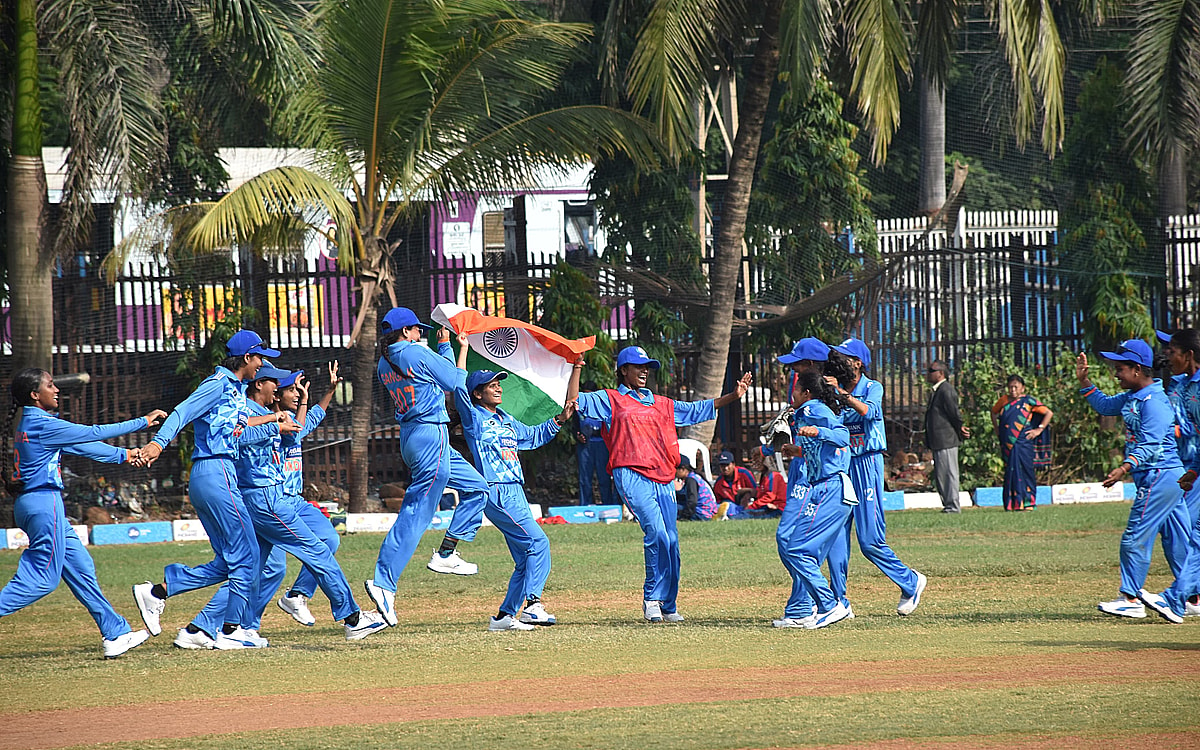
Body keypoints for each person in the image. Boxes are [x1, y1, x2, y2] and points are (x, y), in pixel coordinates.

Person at [176, 363, 386, 648]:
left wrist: (305, 403)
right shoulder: (251, 413)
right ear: (260, 385)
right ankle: (352, 619)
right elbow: (240, 436)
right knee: (317, 551)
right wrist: (274, 424)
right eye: (277, 383)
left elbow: (297, 428)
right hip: (265, 498)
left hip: (262, 499)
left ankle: (200, 628)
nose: (280, 387)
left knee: (253, 570)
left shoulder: (266, 414)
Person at [132, 330, 288, 646]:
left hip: (213, 475)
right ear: (247, 358)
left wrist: (274, 418)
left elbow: (236, 424)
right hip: (216, 471)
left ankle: (159, 592)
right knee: (249, 557)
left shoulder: (233, 390)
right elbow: (182, 412)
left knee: (229, 562)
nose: (262, 364)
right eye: (260, 358)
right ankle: (229, 632)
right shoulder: (217, 385)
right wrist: (158, 443)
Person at [575, 345, 752, 623]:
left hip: (664, 476)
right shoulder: (610, 400)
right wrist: (576, 368)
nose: (645, 371)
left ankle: (669, 604)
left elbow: (697, 410)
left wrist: (733, 396)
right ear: (623, 371)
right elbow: (574, 399)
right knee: (657, 532)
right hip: (630, 473)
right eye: (638, 366)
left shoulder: (662, 403)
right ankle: (652, 599)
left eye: (648, 367)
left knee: (671, 541)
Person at [0, 368, 164, 658]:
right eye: (50, 385)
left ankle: (115, 633)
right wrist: (144, 422)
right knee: (42, 579)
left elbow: (82, 445)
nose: (57, 389)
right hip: (43, 504)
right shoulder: (41, 423)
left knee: (81, 567)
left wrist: (126, 455)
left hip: (38, 504)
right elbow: (92, 432)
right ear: (35, 395)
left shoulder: (37, 422)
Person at [364, 307, 491, 626]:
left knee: (477, 488)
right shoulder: (415, 353)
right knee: (416, 514)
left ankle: (446, 554)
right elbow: (454, 380)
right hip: (429, 434)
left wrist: (445, 348)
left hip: (415, 436)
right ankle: (384, 584)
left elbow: (436, 376)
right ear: (406, 332)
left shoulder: (386, 360)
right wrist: (449, 346)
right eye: (417, 329)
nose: (422, 333)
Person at [453, 336, 581, 630]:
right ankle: (533, 604)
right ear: (477, 394)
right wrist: (461, 347)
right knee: (539, 543)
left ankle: (503, 617)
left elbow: (534, 436)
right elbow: (457, 386)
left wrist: (561, 419)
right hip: (496, 490)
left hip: (516, 491)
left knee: (526, 557)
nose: (498, 387)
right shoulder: (473, 417)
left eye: (499, 383)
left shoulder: (507, 419)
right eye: (491, 384)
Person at [1076, 342, 1194, 622]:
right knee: (1178, 539)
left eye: (1120, 369)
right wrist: (1084, 381)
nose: (1116, 374)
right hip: (1167, 478)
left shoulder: (1155, 402)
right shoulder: (1135, 397)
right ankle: (1192, 597)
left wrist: (1124, 467)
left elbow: (1151, 444)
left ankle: (1130, 599)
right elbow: (1104, 405)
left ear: (1137, 369)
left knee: (1135, 536)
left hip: (1159, 475)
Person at [826, 338, 927, 616]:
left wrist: (843, 395)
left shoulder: (872, 387)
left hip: (866, 463)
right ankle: (838, 601)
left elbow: (871, 412)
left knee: (870, 541)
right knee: (836, 534)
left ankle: (911, 581)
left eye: (845, 356)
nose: (839, 360)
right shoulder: (834, 388)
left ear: (858, 362)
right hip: (842, 464)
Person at [774, 369, 856, 630]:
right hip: (823, 488)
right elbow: (823, 454)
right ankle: (811, 607)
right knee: (793, 545)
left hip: (831, 489)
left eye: (796, 389)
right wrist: (797, 450)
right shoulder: (808, 412)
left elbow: (843, 437)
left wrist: (816, 432)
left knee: (796, 548)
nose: (792, 393)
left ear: (806, 392)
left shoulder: (812, 410)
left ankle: (830, 605)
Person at [274, 363, 344, 626]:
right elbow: (295, 433)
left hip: (296, 502)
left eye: (298, 389)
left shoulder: (295, 422)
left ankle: (297, 594)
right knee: (267, 571)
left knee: (329, 540)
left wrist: (330, 390)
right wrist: (304, 402)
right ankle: (230, 625)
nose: (297, 393)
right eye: (291, 390)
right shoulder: (276, 426)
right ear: (275, 395)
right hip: (273, 504)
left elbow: (317, 414)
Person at [990, 375, 1052, 512]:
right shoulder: (1004, 400)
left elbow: (1048, 413)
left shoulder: (1028, 401)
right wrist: (997, 430)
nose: (1013, 390)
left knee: (1026, 470)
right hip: (1007, 443)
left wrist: (1038, 430)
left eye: (1016, 387)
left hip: (1024, 441)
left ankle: (1028, 502)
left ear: (1022, 388)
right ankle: (1012, 503)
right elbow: (993, 413)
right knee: (1010, 472)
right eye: (1010, 387)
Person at [924, 360, 969, 513]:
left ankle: (953, 506)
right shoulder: (938, 390)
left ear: (940, 373)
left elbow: (954, 413)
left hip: (947, 439)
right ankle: (948, 505)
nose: (927, 373)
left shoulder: (946, 390)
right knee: (942, 476)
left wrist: (960, 427)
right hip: (939, 440)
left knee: (949, 474)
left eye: (931, 370)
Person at [574, 381, 614, 506]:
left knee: (604, 477)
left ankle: (608, 505)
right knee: (585, 478)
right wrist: (578, 436)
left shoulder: (603, 406)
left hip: (601, 444)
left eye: (590, 395)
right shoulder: (578, 408)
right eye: (585, 394)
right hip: (585, 446)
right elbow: (574, 427)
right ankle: (585, 505)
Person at [675, 455, 718, 521]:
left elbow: (692, 502)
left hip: (702, 513)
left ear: (683, 469)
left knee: (671, 507)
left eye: (675, 469)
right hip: (708, 511)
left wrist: (683, 517)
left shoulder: (691, 480)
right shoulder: (695, 476)